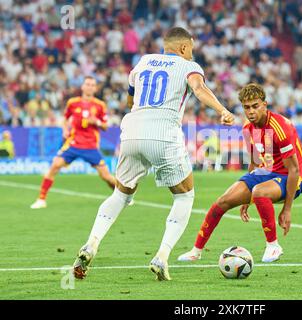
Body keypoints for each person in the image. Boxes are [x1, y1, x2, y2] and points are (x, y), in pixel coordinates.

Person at [72, 27, 234, 281]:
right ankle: (162, 256)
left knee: (121, 194)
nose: (191, 52)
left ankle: (91, 243)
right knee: (184, 197)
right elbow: (199, 88)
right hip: (163, 133)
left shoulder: (143, 62)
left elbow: (129, 99)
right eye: (190, 47)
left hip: (132, 130)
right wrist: (222, 110)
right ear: (183, 47)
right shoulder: (188, 66)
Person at [178, 83, 302, 263]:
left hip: (291, 177)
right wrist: (247, 198)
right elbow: (254, 161)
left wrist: (287, 209)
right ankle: (196, 251)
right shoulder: (248, 129)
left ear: (265, 105)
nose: (251, 111)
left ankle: (273, 246)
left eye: (255, 106)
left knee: (260, 191)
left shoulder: (280, 127)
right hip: (266, 173)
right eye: (247, 107)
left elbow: (294, 170)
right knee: (222, 202)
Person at [30, 77, 116, 209]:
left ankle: (124, 196)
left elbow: (105, 126)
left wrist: (97, 122)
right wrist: (65, 130)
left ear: (95, 88)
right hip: (73, 143)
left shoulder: (100, 105)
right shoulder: (72, 103)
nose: (90, 87)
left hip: (91, 146)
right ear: (82, 86)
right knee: (55, 165)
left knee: (106, 176)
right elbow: (65, 119)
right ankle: (41, 199)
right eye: (87, 84)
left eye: (92, 85)